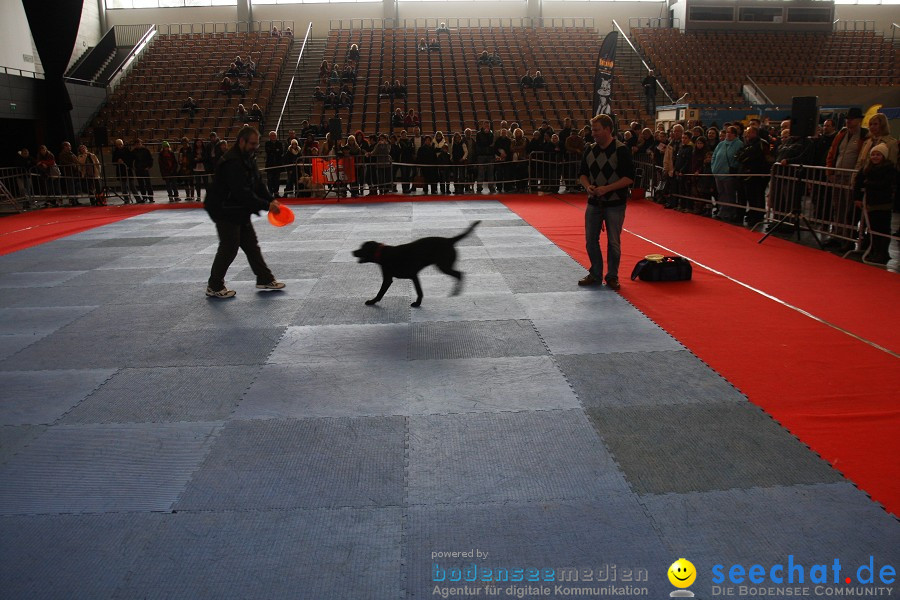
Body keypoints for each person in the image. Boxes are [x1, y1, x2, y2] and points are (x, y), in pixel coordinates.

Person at [204, 127, 285, 298]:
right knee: (229, 247)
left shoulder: (247, 157)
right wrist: (267, 205)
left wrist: (270, 199)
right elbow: (242, 193)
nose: (255, 147)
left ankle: (264, 278)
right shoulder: (232, 162)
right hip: (225, 210)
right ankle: (214, 285)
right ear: (242, 141)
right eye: (252, 143)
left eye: (256, 144)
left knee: (251, 245)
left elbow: (257, 183)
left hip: (239, 209)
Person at [577, 114, 635, 291]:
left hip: (615, 204)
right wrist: (588, 187)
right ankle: (595, 274)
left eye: (596, 130)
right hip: (594, 202)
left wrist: (607, 189)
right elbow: (582, 174)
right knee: (590, 240)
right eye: (592, 130)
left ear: (608, 130)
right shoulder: (589, 149)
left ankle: (612, 276)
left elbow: (629, 178)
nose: (593, 133)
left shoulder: (621, 150)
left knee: (613, 242)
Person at [853, 143, 893, 264]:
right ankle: (874, 251)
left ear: (884, 156)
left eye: (878, 155)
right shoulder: (867, 168)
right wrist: (857, 198)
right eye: (873, 155)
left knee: (883, 229)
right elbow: (858, 182)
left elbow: (885, 184)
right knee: (873, 228)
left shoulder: (889, 169)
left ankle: (883, 253)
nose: (875, 157)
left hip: (883, 203)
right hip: (870, 204)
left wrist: (868, 183)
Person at [710, 126, 744, 221]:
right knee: (721, 193)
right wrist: (714, 168)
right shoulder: (721, 144)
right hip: (718, 173)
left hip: (729, 175)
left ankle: (729, 213)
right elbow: (714, 156)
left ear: (735, 134)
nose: (728, 134)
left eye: (730, 132)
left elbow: (738, 159)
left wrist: (731, 168)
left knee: (730, 194)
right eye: (727, 132)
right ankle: (722, 211)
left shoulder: (739, 144)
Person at [57, 142, 80, 206]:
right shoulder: (62, 154)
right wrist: (72, 164)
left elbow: (76, 160)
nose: (70, 147)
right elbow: (63, 162)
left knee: (75, 187)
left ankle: (76, 200)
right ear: (64, 147)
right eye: (68, 146)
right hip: (68, 172)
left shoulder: (72, 153)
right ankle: (72, 200)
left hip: (74, 172)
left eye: (70, 146)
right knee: (71, 186)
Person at [131, 139, 154, 203]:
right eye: (136, 144)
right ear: (134, 145)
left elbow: (151, 159)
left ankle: (151, 197)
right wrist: (133, 167)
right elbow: (131, 160)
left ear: (141, 144)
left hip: (145, 169)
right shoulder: (133, 152)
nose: (138, 145)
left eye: (139, 144)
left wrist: (149, 167)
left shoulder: (146, 150)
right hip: (138, 169)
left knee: (148, 183)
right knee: (141, 184)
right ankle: (144, 197)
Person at [475, 120, 495, 193]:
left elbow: (492, 144)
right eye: (485, 125)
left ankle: (491, 187)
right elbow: (481, 144)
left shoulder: (491, 134)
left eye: (488, 126)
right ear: (483, 126)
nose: (487, 127)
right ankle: (479, 187)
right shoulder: (479, 134)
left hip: (490, 155)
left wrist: (488, 135)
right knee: (480, 173)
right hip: (481, 155)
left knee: (490, 173)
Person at [264, 131, 284, 197]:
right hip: (270, 164)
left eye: (274, 135)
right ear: (269, 137)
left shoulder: (279, 143)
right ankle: (270, 192)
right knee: (270, 179)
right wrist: (275, 150)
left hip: (277, 164)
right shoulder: (267, 143)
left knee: (277, 179)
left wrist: (273, 151)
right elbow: (268, 151)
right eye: (272, 135)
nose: (273, 137)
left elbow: (280, 152)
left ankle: (276, 192)